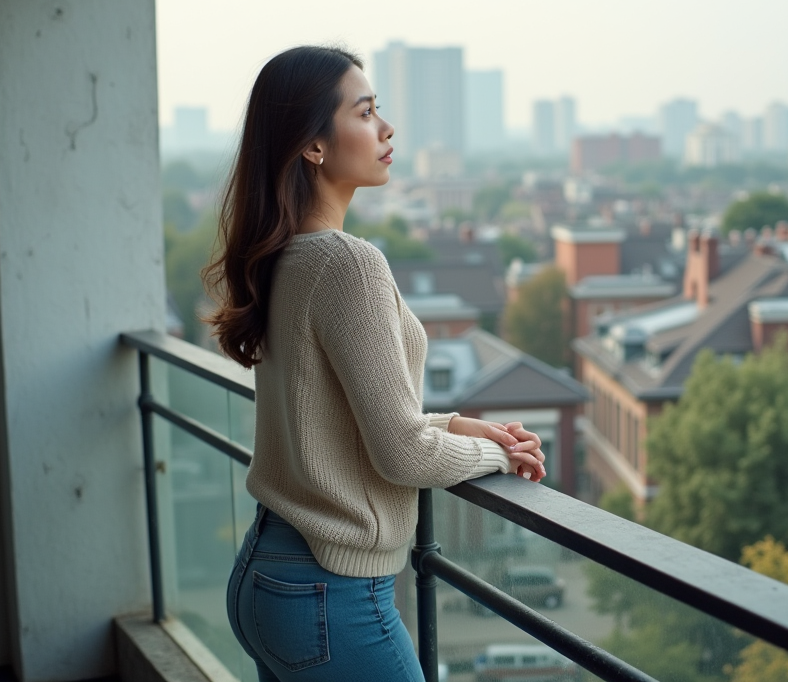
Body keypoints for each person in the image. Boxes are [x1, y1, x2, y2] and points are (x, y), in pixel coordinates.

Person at [206, 45, 545, 682]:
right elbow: (401, 455)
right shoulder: (347, 264)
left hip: (269, 574)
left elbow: (337, 420)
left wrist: (455, 427)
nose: (387, 129)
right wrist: (499, 456)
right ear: (313, 146)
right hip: (329, 594)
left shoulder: (283, 256)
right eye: (365, 113)